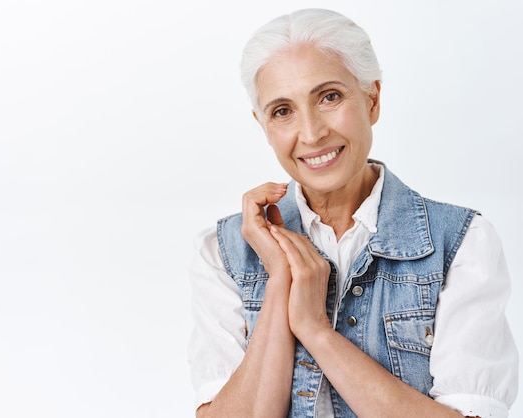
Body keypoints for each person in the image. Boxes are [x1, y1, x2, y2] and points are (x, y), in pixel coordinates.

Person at [187, 8, 519, 418]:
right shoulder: (224, 252)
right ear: (264, 125)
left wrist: (315, 330)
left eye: (329, 97)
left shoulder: (460, 243)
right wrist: (280, 284)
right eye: (282, 111)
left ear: (372, 99)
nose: (311, 133)